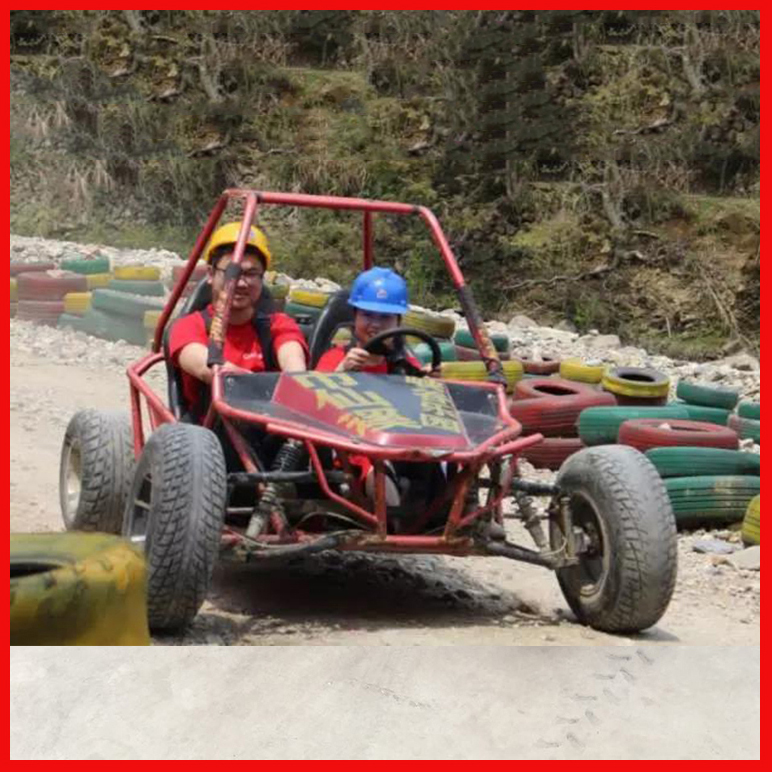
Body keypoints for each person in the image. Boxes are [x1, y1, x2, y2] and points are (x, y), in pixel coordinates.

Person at [169, 221, 308, 422]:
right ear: (210, 274)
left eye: (251, 274)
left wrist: (297, 382)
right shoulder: (189, 326)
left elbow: (294, 361)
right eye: (233, 273)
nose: (241, 283)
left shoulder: (278, 324)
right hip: (209, 435)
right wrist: (256, 386)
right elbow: (208, 368)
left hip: (270, 428)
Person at [315, 266, 424, 374]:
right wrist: (341, 372)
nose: (376, 324)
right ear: (355, 317)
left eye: (385, 317)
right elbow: (313, 390)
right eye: (367, 315)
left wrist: (431, 380)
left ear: (398, 322)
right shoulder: (334, 359)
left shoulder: (406, 366)